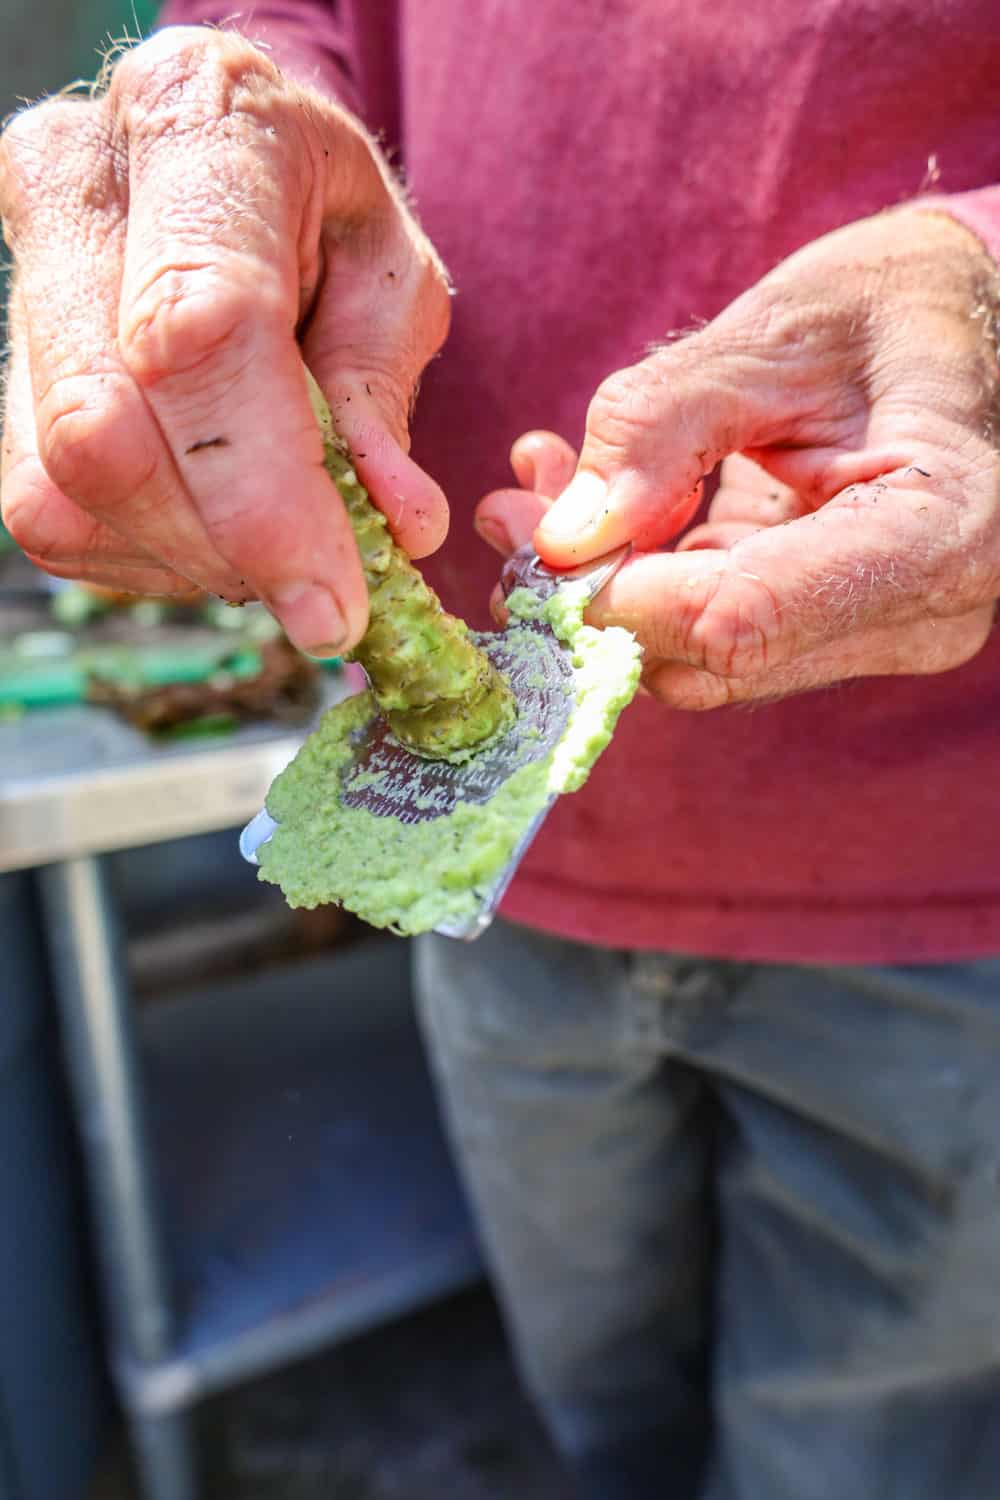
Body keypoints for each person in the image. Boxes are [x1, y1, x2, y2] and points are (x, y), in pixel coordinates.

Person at [2, 3, 999, 1495]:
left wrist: (979, 277)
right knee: (595, 1413)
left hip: (938, 888)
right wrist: (224, 112)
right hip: (506, 887)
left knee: (863, 1451)